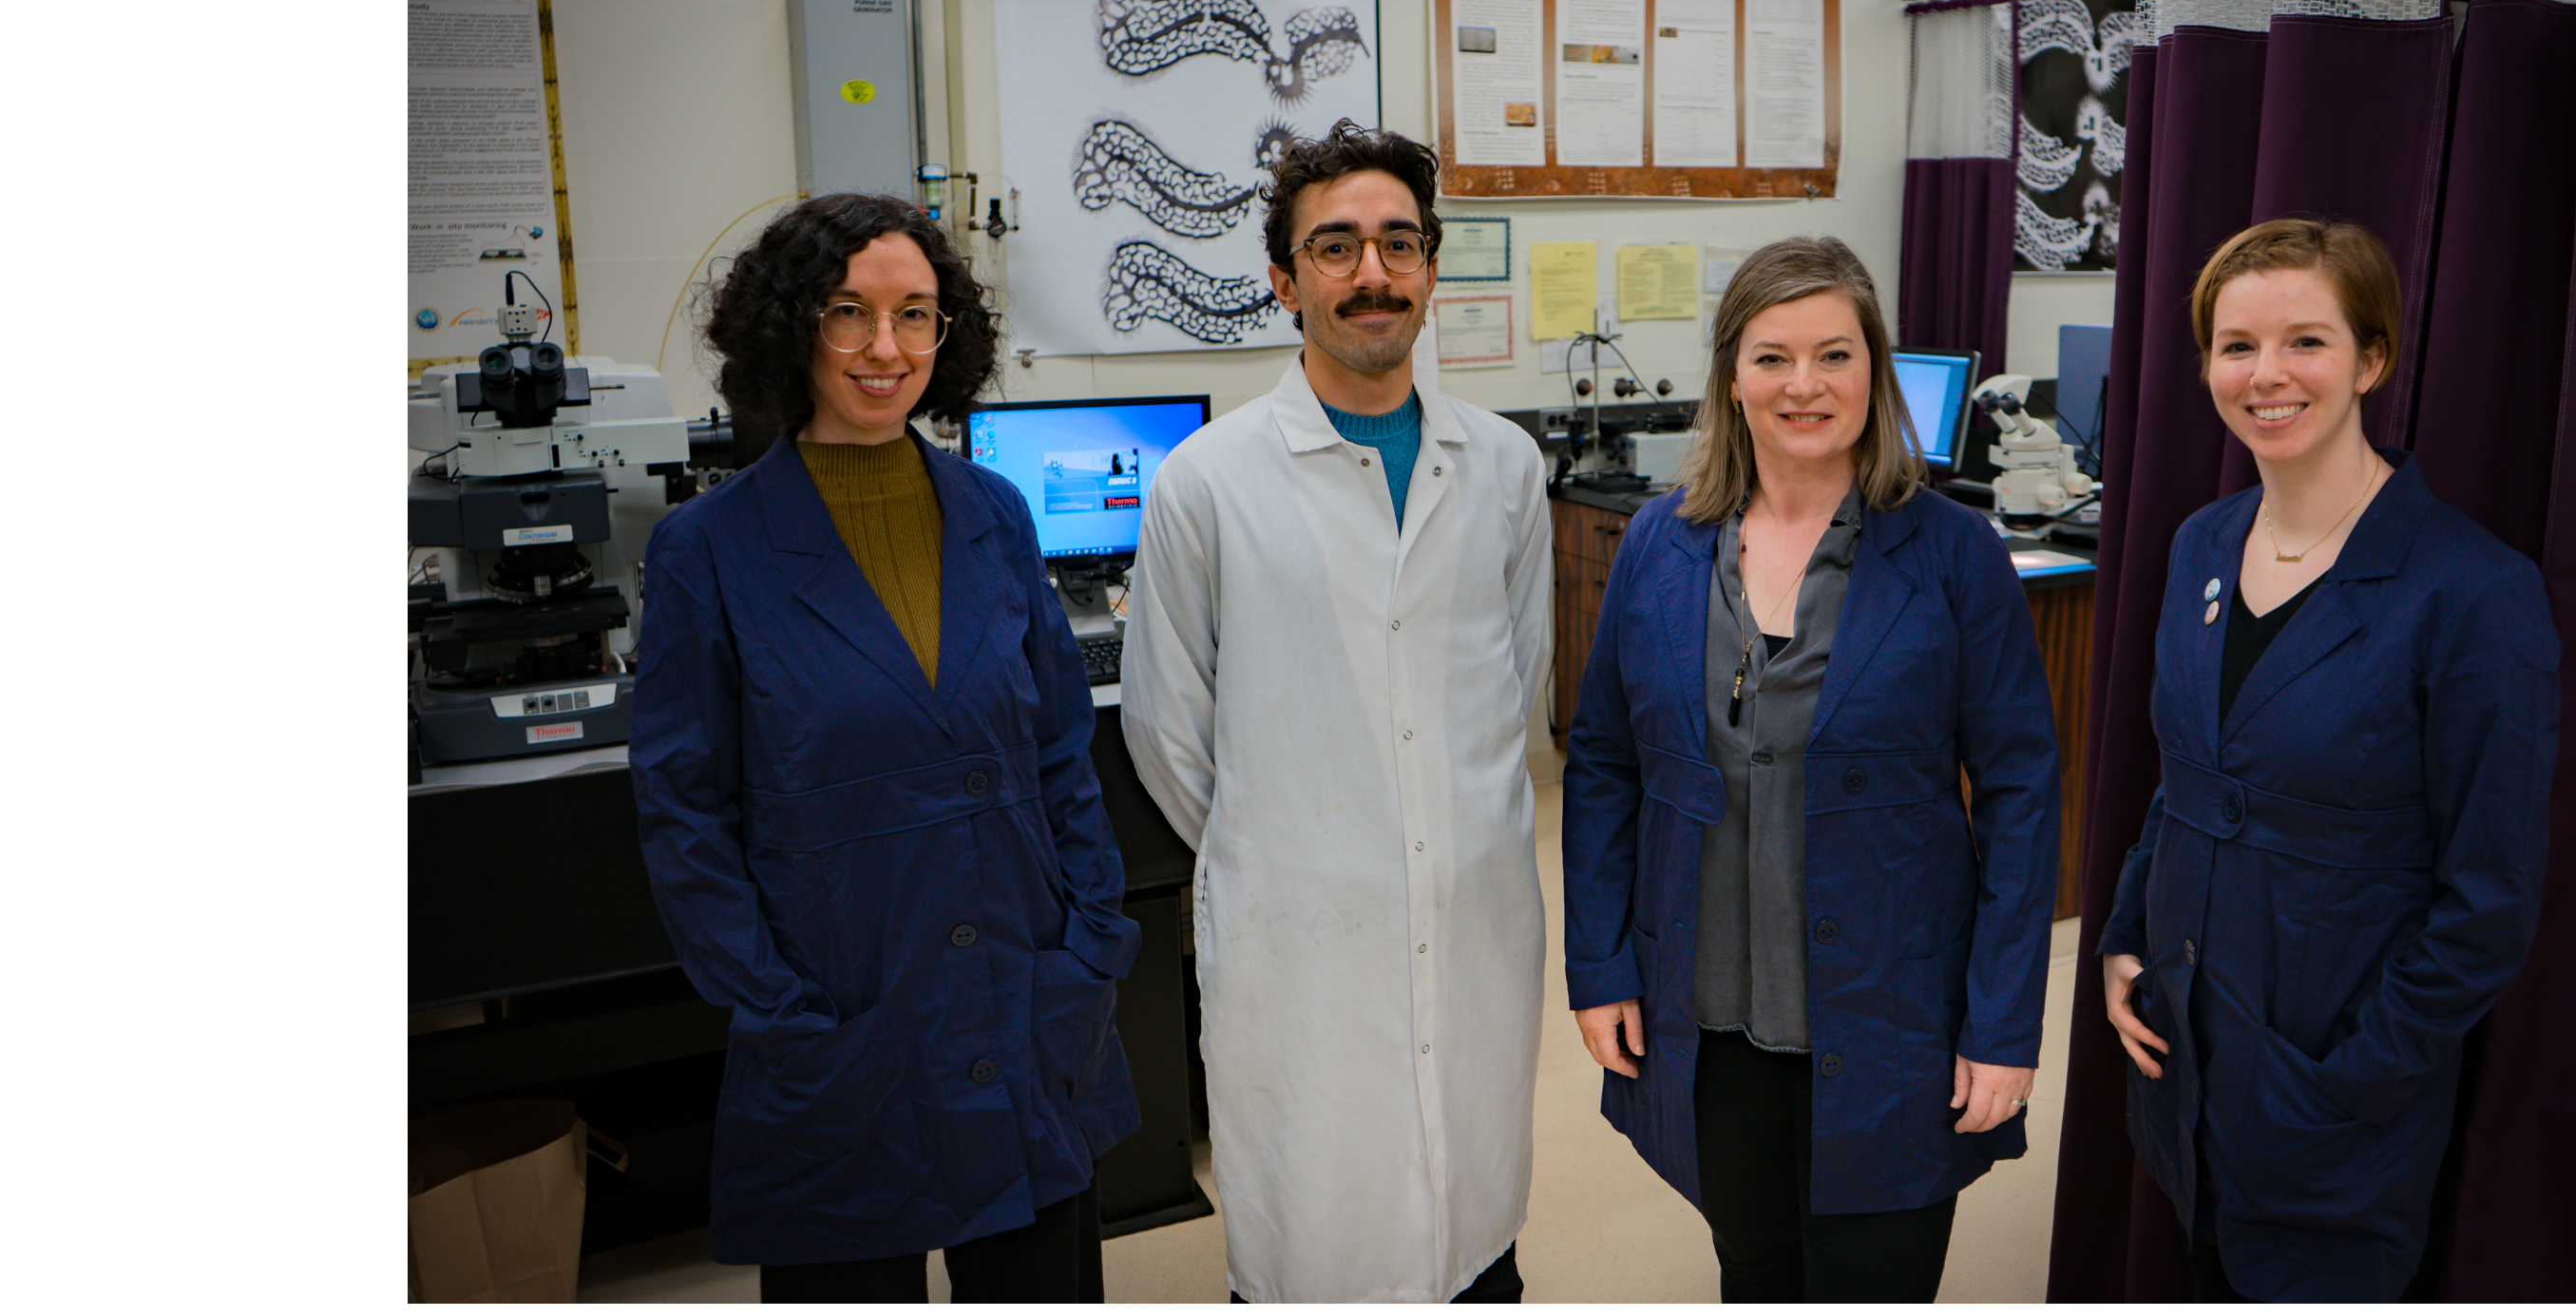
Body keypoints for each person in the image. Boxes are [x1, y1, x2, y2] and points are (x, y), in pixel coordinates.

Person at [632, 193, 1134, 1304]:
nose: (883, 349)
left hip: (1024, 986)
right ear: (789, 327)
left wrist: (1091, 939)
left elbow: (1059, 751)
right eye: (847, 313)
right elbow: (685, 814)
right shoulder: (704, 553)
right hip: (841, 1011)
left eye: (915, 316)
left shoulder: (994, 513)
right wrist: (773, 1004)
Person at [1560, 238, 2061, 1303]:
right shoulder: (1659, 544)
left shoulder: (1952, 553)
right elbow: (1601, 760)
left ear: (1872, 372)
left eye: (1832, 355)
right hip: (1711, 1016)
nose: (1802, 386)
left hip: (1892, 1018)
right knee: (1754, 1273)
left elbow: (2020, 796)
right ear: (1730, 377)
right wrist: (1599, 963)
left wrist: (2002, 1025)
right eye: (1771, 357)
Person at [1122, 127, 1562, 1303]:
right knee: (1317, 1230)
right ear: (1283, 280)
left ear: (1428, 269)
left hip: (1472, 912)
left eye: (1397, 243)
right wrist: (1298, 850)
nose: (1371, 271)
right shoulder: (1206, 482)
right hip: (1298, 931)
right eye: (1334, 247)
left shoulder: (1507, 467)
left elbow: (1516, 683)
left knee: (1471, 1226)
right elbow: (1169, 731)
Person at [2089, 217, 2557, 1304]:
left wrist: (2350, 1081)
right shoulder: (2200, 542)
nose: (2265, 375)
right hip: (2184, 1054)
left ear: (2371, 359)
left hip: (2332, 1097)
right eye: (2235, 345)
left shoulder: (2473, 593)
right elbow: (2183, 780)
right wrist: (2122, 940)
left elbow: (2488, 901)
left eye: (2305, 340)